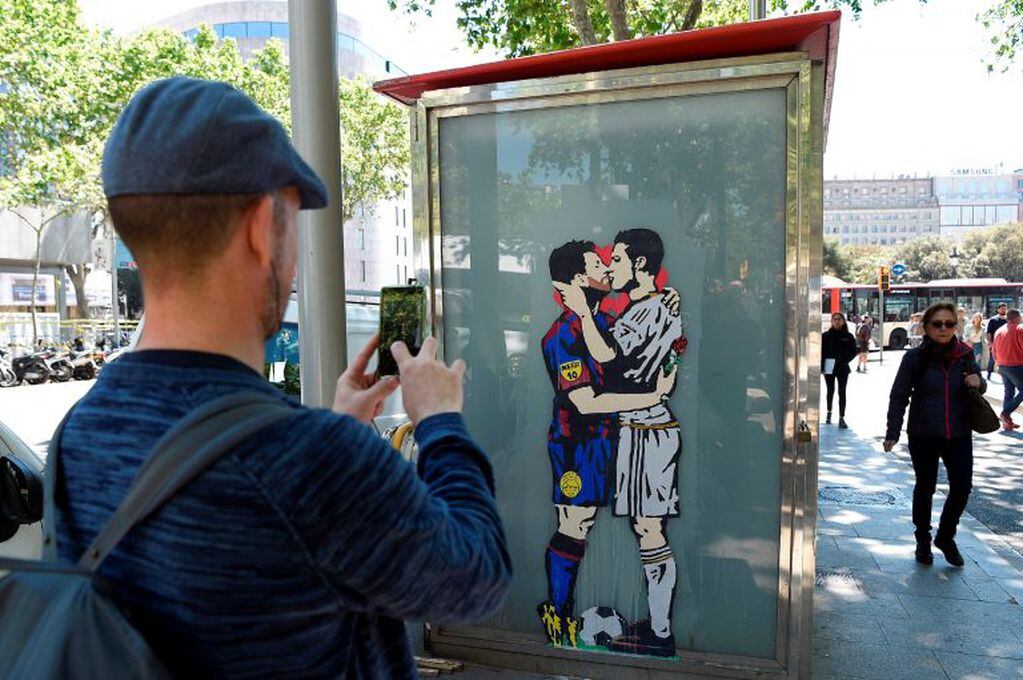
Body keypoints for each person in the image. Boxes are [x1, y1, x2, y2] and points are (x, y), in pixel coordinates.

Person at [53, 77, 512, 678]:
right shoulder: (313, 462)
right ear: (258, 228)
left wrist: (332, 428)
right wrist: (442, 423)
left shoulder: (78, 432)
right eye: (292, 224)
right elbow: (477, 577)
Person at [884, 302, 985, 568]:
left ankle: (945, 536)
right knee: (925, 487)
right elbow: (899, 395)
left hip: (959, 432)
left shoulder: (964, 354)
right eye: (937, 324)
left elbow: (977, 383)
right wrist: (892, 431)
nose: (943, 329)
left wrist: (980, 382)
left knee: (962, 487)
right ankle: (922, 540)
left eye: (949, 324)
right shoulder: (915, 359)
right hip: (924, 432)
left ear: (956, 326)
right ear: (926, 327)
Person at [821, 312, 857, 428]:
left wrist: (844, 360)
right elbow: (822, 352)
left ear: (843, 321)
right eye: (835, 319)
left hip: (842, 368)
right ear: (832, 321)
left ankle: (842, 417)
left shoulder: (848, 336)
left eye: (839, 319)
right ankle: (829, 413)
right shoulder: (825, 336)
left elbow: (853, 351)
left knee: (842, 392)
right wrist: (822, 367)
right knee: (830, 390)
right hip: (829, 367)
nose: (837, 321)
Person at [992, 309, 1023, 429]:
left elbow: (994, 349)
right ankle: (1005, 413)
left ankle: (1007, 422)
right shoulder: (1019, 329)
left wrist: (997, 364)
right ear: (1016, 318)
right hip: (1016, 365)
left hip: (1002, 365)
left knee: (1009, 392)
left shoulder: (999, 330)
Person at [985, 302, 1009, 380]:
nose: (1003, 310)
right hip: (995, 344)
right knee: (992, 359)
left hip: (1006, 344)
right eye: (1002, 309)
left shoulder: (1008, 320)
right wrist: (990, 343)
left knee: (1005, 360)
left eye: (1005, 309)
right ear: (998, 310)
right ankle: (989, 373)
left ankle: (1005, 376)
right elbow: (988, 332)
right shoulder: (993, 320)